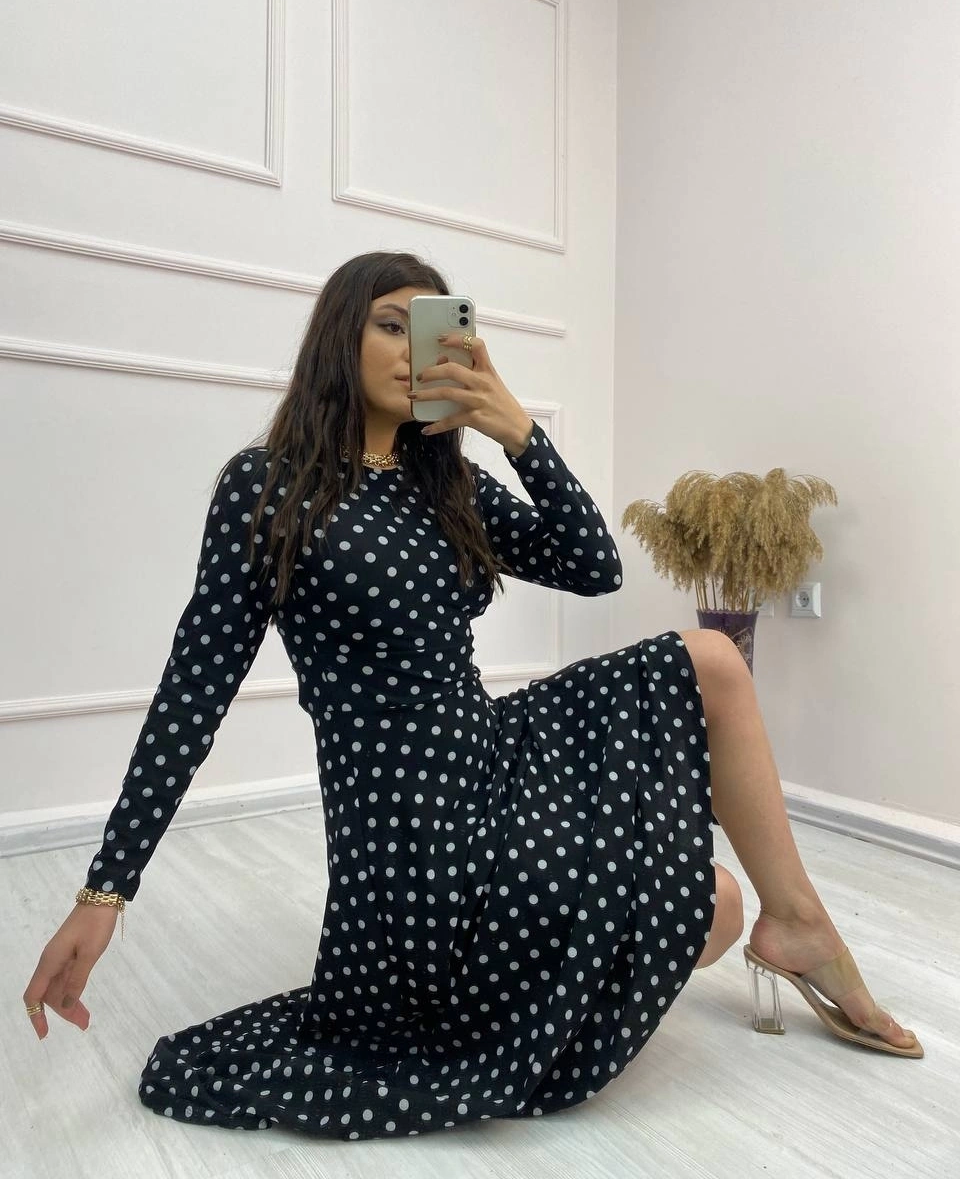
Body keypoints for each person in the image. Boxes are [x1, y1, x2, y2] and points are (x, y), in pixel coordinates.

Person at [23, 252, 921, 1140]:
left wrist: (518, 432)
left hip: (488, 752)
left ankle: (799, 924)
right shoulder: (267, 488)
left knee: (712, 660)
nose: (414, 351)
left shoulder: (444, 482)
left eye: (431, 332)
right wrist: (106, 892)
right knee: (710, 904)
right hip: (409, 832)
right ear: (339, 336)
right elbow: (192, 697)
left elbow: (594, 567)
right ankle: (593, 955)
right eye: (391, 325)